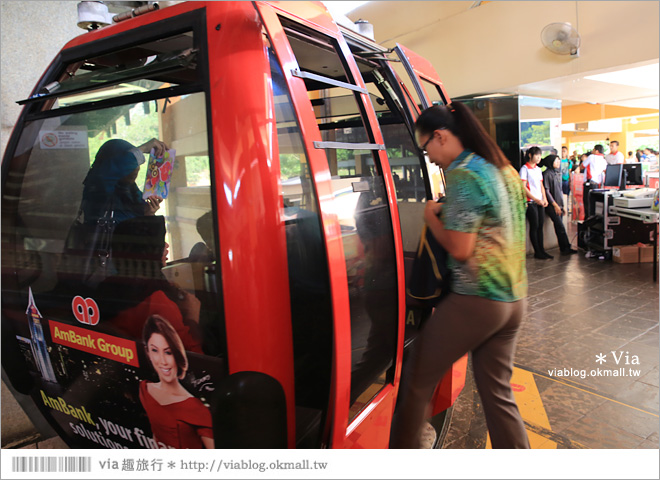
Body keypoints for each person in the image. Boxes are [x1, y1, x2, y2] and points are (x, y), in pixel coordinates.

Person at [389, 103, 529, 449]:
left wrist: (431, 216)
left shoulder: (464, 173)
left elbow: (461, 248)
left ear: (441, 136)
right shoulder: (502, 169)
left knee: (416, 379)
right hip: (514, 299)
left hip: (478, 299)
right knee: (498, 396)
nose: (430, 157)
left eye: (426, 148)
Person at [97, 215, 203, 353]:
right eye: (159, 242)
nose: (166, 245)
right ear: (147, 252)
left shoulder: (107, 286)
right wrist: (192, 317)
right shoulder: (158, 303)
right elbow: (193, 357)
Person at [140, 314, 214, 449]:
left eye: (168, 352)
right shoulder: (145, 390)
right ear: (148, 353)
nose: (162, 361)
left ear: (177, 353)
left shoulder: (197, 409)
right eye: (155, 351)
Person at [81, 138, 167, 225]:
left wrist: (148, 213)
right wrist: (143, 148)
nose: (136, 168)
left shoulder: (132, 193)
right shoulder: (98, 188)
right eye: (133, 162)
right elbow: (107, 175)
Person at [541, 156, 578, 255]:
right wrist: (555, 205)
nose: (558, 163)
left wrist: (563, 206)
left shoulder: (557, 173)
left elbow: (560, 191)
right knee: (560, 226)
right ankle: (565, 247)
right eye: (556, 161)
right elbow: (547, 191)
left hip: (559, 204)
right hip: (552, 205)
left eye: (559, 161)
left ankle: (564, 247)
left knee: (560, 227)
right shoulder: (547, 174)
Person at [520, 146, 552, 259]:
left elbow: (541, 186)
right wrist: (535, 199)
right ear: (530, 155)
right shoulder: (524, 169)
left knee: (540, 226)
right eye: (537, 155)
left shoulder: (538, 169)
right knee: (535, 226)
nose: (539, 158)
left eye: (540, 155)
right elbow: (523, 187)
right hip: (531, 202)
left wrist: (545, 199)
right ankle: (537, 251)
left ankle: (542, 250)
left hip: (540, 202)